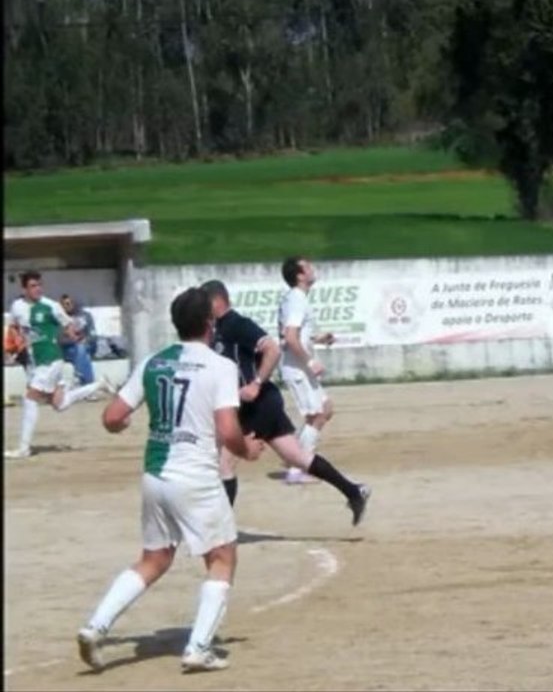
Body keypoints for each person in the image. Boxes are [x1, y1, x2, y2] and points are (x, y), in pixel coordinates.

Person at [76, 287, 264, 673]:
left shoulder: (153, 362)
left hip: (156, 475)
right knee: (223, 556)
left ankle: (96, 626)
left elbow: (112, 418)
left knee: (154, 558)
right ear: (210, 323)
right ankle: (198, 646)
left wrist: (124, 423)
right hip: (194, 475)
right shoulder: (220, 366)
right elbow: (228, 429)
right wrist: (246, 449)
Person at [199, 279, 370, 525]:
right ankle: (354, 492)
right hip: (261, 403)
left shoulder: (237, 324)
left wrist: (256, 383)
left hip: (255, 405)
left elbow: (272, 349)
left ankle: (217, 531)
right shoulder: (218, 330)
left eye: (205, 304)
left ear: (216, 301)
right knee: (298, 458)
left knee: (225, 463)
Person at [5, 271, 114, 459]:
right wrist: (12, 348)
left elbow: (68, 323)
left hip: (50, 359)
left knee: (30, 399)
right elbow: (14, 328)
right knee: (60, 404)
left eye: (39, 284)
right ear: (24, 288)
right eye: (33, 285)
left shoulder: (51, 306)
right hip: (34, 362)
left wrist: (72, 334)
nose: (38, 288)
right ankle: (99, 385)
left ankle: (24, 448)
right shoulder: (17, 306)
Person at [276, 256, 338, 484]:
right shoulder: (297, 300)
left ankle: (298, 463)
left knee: (325, 410)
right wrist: (311, 362)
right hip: (297, 368)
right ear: (300, 275)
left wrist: (317, 338)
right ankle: (298, 468)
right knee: (318, 414)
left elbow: (294, 334)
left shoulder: (295, 298)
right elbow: (290, 338)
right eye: (308, 267)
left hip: (298, 366)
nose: (312, 269)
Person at [59, 294, 97, 386]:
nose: (68, 305)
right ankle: (89, 385)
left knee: (81, 349)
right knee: (83, 354)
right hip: (68, 350)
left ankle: (79, 377)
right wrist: (74, 341)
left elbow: (93, 335)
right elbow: (60, 340)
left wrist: (86, 340)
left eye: (70, 303)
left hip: (88, 346)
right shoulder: (60, 319)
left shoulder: (86, 316)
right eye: (65, 304)